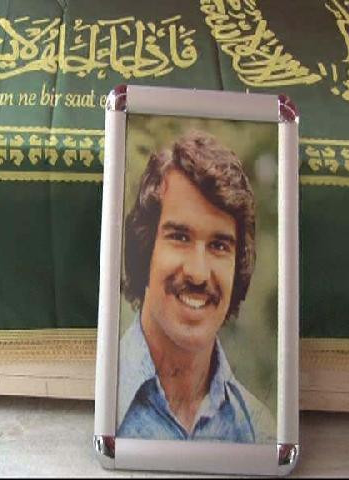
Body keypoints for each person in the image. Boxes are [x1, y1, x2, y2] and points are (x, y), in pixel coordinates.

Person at [116, 130, 275, 444]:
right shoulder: (105, 400)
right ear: (144, 249)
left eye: (219, 245)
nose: (199, 274)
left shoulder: (259, 433)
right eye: (180, 237)